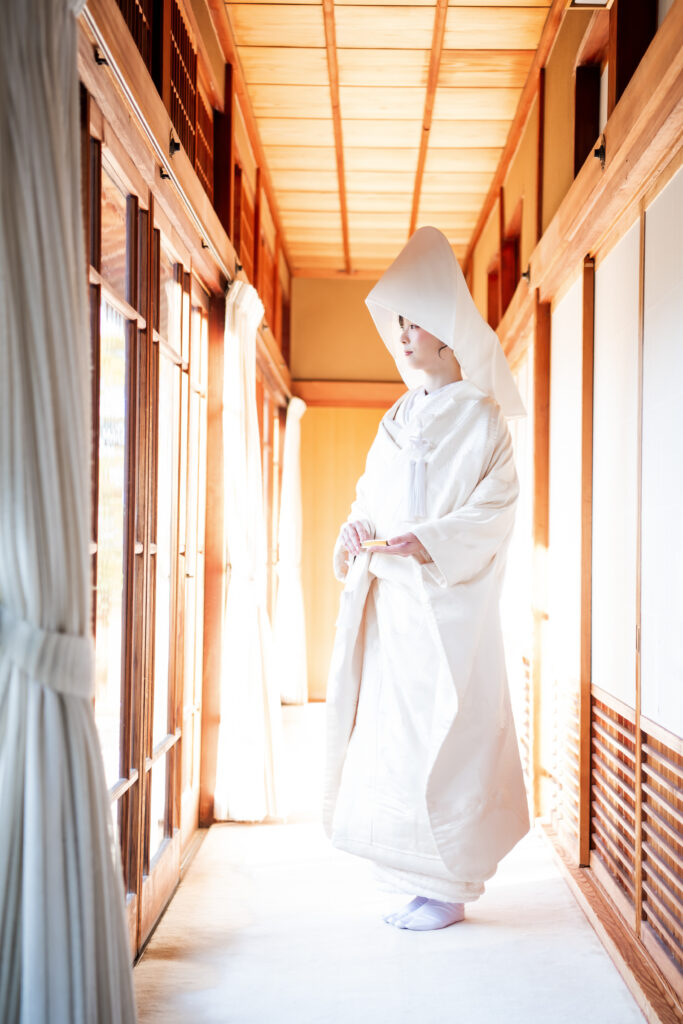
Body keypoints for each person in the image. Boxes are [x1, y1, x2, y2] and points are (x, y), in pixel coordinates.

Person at [321, 226, 530, 931]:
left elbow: (495, 509)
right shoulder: (395, 417)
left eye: (416, 321)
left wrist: (431, 542)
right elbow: (368, 500)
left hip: (446, 613)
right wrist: (356, 532)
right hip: (393, 612)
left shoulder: (483, 418)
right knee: (395, 744)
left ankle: (449, 887)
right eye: (399, 323)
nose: (403, 334)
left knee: (449, 737)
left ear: (446, 329)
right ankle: (413, 876)